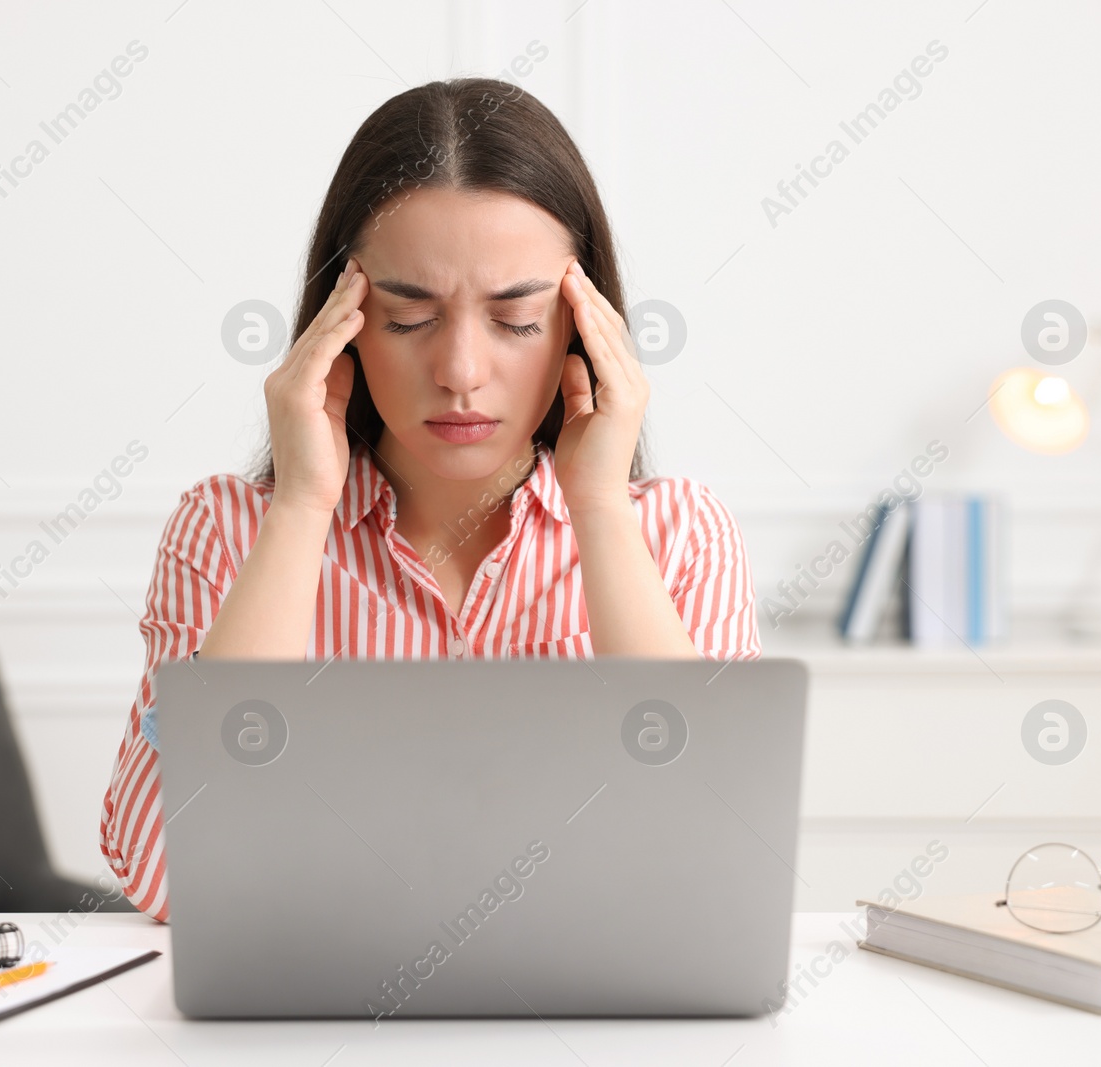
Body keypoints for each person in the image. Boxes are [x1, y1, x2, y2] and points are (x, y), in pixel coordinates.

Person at [101, 77, 760, 920]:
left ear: (582, 326)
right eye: (408, 319)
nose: (460, 372)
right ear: (339, 322)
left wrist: (599, 507)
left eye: (517, 320)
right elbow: (171, 880)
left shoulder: (679, 536)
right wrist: (303, 506)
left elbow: (710, 870)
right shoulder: (227, 531)